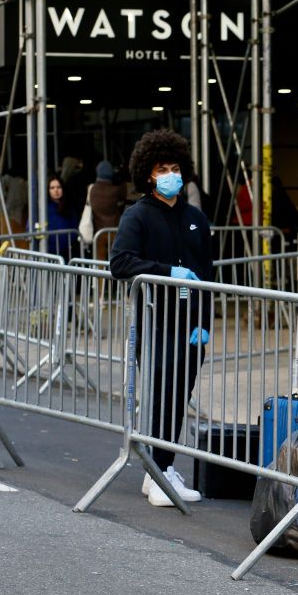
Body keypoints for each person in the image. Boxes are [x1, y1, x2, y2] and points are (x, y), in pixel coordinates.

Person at [109, 129, 214, 508]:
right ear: (148, 174)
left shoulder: (196, 219)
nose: (169, 174)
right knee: (158, 397)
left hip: (190, 324)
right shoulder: (137, 216)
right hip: (155, 321)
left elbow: (207, 273)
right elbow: (119, 262)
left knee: (178, 398)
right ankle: (156, 471)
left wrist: (205, 322)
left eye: (174, 167)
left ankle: (162, 468)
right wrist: (167, 272)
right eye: (161, 169)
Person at [88, 160, 126, 261]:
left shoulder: (92, 189)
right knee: (115, 261)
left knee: (100, 264)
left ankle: (100, 277)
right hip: (114, 232)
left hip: (98, 232)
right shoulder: (115, 190)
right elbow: (122, 203)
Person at [46, 175, 78, 259]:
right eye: (52, 188)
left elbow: (75, 228)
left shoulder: (69, 207)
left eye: (58, 187)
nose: (56, 190)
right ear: (48, 190)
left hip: (67, 253)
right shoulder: (43, 209)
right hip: (48, 253)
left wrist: (69, 242)